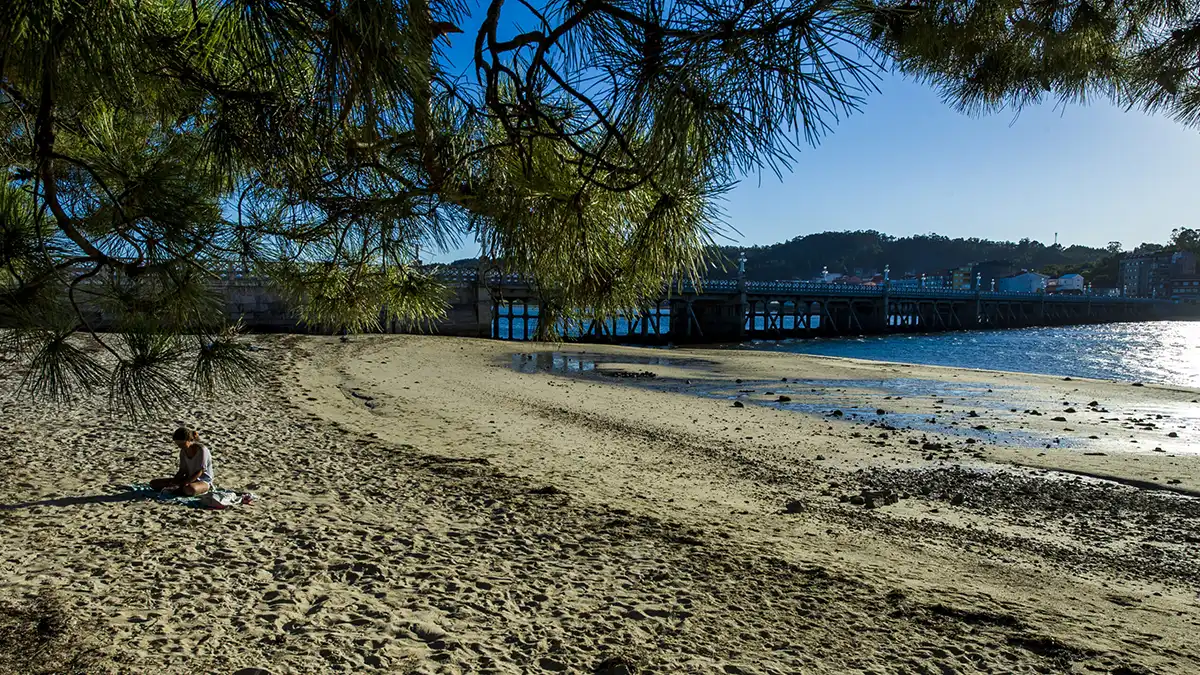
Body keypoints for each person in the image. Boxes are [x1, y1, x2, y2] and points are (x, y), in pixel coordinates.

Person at [149, 427, 213, 496]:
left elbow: (200, 471)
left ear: (189, 440)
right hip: (187, 478)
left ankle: (180, 489)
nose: (180, 447)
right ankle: (178, 489)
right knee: (154, 483)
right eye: (178, 445)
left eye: (182, 444)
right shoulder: (183, 451)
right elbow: (182, 470)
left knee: (190, 489)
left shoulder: (202, 450)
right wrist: (174, 481)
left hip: (202, 481)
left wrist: (186, 482)